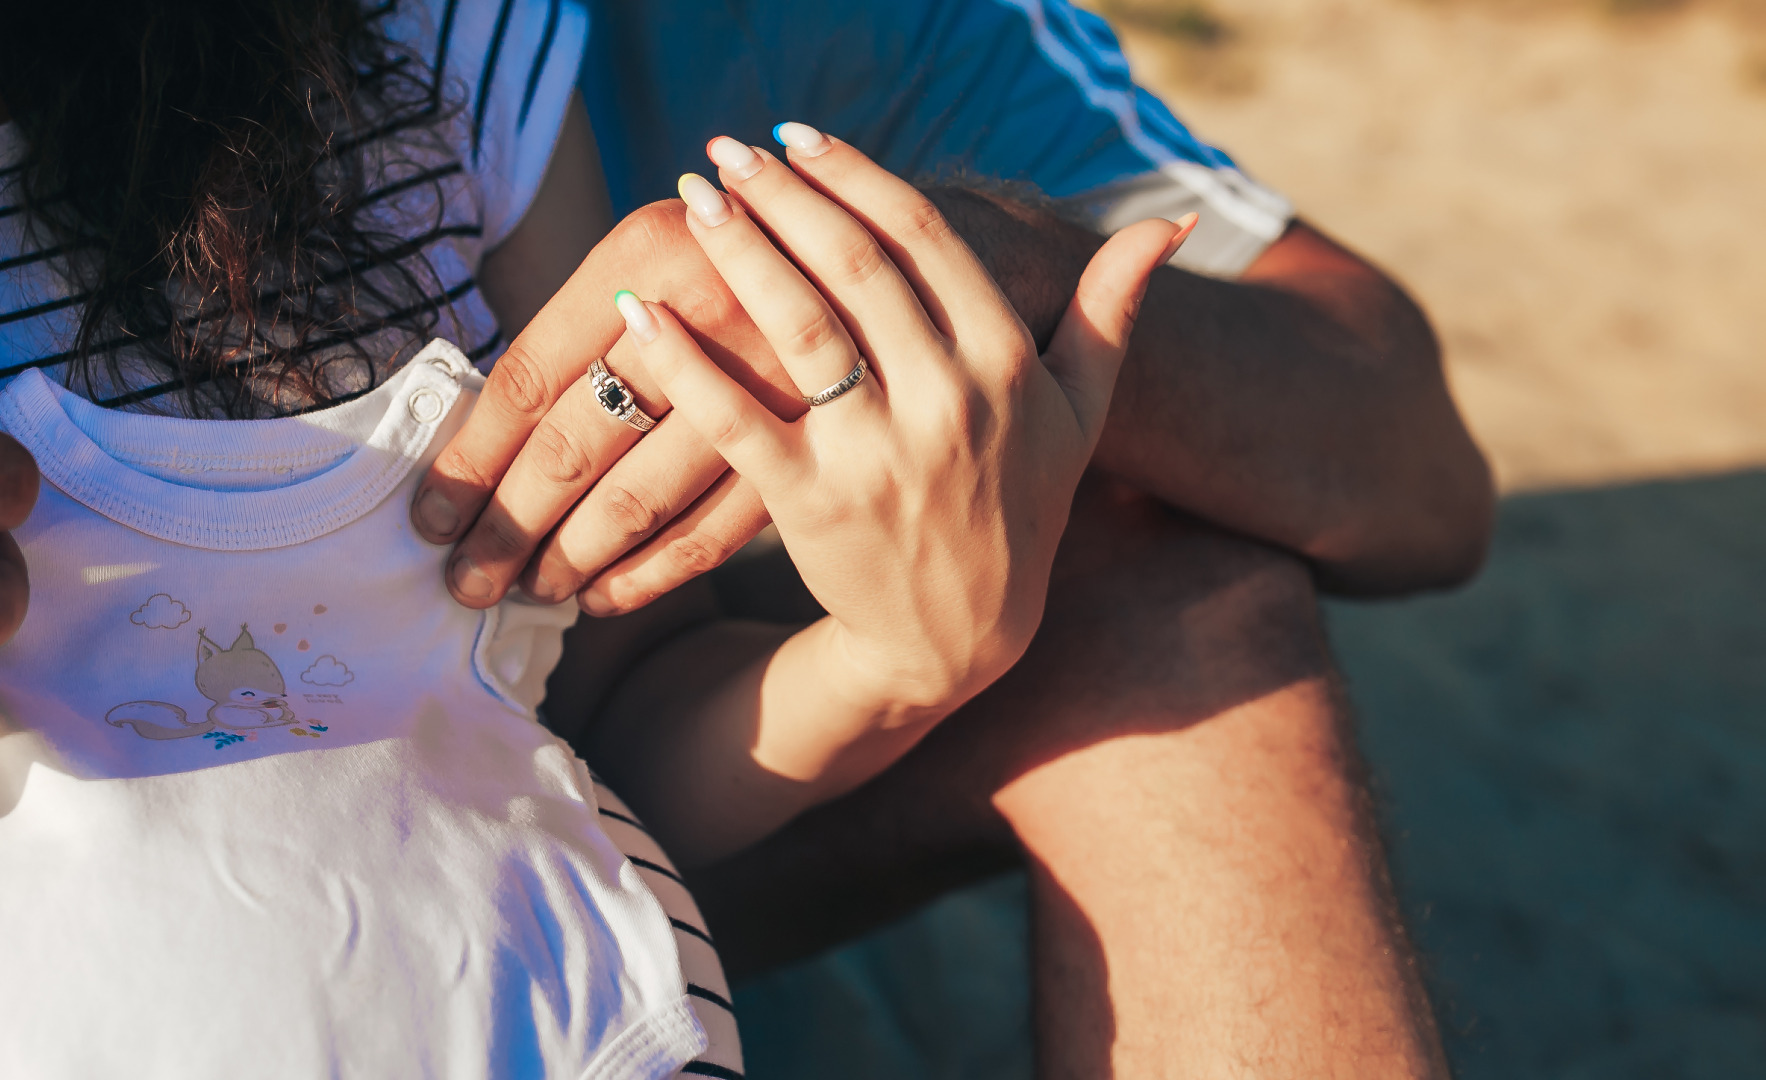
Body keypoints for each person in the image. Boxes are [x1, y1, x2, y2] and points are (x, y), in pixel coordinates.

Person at [0, 2, 1492, 1078]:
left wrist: (955, 289)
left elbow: (1414, 467)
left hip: (532, 917)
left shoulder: (463, 70)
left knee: (1180, 607)